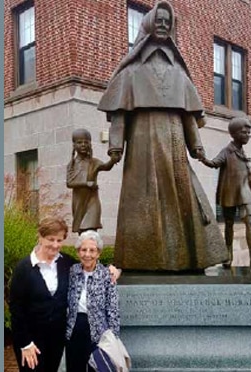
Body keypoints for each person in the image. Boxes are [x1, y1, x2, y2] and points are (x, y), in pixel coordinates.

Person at [97, 0, 227, 271]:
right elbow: (119, 114)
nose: (163, 25)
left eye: (168, 22)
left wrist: (198, 149)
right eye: (159, 20)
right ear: (148, 24)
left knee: (184, 196)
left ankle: (189, 259)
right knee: (141, 201)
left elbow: (188, 115)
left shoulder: (179, 72)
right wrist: (115, 150)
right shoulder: (130, 72)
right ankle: (141, 259)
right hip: (142, 143)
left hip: (174, 140)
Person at [8, 218, 121, 372]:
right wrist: (25, 343)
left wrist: (113, 269)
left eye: (59, 240)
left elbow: (90, 263)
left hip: (56, 340)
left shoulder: (66, 263)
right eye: (51, 239)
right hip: (31, 341)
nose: (55, 244)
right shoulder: (24, 268)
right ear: (40, 237)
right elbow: (16, 309)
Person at [199, 117, 251, 271]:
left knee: (250, 222)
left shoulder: (243, 152)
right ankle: (228, 254)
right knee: (229, 224)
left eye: (249, 132)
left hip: (244, 192)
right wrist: (202, 158)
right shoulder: (227, 151)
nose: (248, 135)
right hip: (229, 192)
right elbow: (214, 163)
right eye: (244, 132)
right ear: (234, 133)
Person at [65, 230, 120, 372]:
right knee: (74, 367)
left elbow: (113, 309)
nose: (87, 254)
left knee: (97, 368)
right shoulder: (72, 271)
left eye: (92, 250)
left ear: (98, 253)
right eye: (83, 250)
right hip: (74, 329)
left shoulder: (107, 275)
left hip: (99, 332)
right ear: (78, 252)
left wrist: (113, 338)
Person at [66, 128, 118, 234]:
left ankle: (93, 249)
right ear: (74, 145)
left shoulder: (94, 162)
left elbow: (106, 166)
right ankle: (85, 250)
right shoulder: (72, 165)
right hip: (79, 202)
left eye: (86, 142)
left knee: (91, 228)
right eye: (79, 142)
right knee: (82, 231)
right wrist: (87, 184)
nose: (83, 144)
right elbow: (69, 183)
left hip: (92, 200)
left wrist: (112, 160)